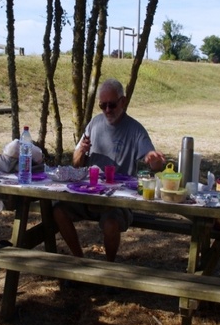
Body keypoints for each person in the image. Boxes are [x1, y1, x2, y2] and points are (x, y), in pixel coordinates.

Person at [53, 78, 165, 262]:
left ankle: (109, 268)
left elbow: (154, 163)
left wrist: (154, 161)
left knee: (111, 224)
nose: (107, 110)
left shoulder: (135, 130)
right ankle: (79, 260)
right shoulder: (94, 124)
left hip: (118, 200)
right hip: (89, 193)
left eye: (111, 105)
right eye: (102, 105)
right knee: (58, 211)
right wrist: (80, 151)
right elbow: (76, 164)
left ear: (123, 101)